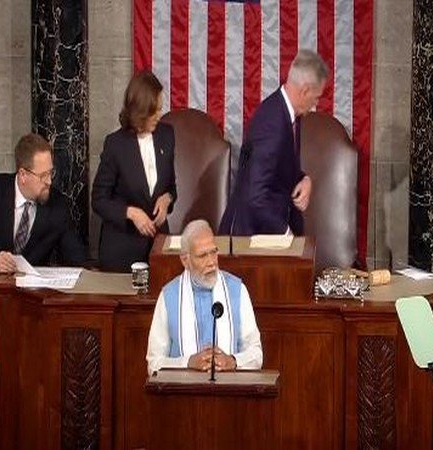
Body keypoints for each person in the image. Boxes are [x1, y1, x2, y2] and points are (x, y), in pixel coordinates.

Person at [0, 133, 87, 450]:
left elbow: (78, 259)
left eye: (51, 173)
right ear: (22, 175)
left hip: (25, 314)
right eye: (43, 175)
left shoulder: (58, 207)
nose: (49, 182)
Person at [218, 49, 328, 236]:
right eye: (316, 97)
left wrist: (304, 179)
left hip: (267, 234)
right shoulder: (272, 124)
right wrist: (285, 234)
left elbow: (279, 168)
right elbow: (256, 195)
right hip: (251, 240)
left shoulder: (289, 114)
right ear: (305, 91)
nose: (316, 104)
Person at [146, 219, 262, 373]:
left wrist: (232, 361)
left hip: (229, 391)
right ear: (185, 260)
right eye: (202, 256)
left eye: (213, 252)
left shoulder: (237, 290)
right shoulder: (169, 296)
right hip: (182, 394)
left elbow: (256, 354)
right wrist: (187, 362)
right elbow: (154, 363)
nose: (212, 263)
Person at [92, 70, 177, 272]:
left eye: (160, 109)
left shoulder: (167, 135)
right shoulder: (115, 145)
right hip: (122, 250)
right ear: (139, 111)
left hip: (158, 246)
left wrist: (167, 200)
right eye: (154, 110)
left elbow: (172, 186)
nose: (159, 115)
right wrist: (130, 213)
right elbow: (98, 199)